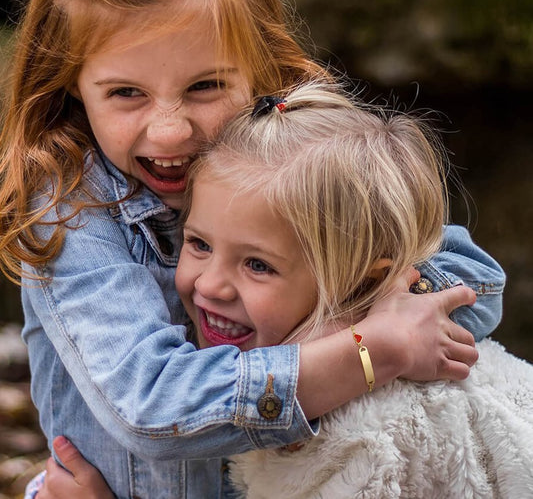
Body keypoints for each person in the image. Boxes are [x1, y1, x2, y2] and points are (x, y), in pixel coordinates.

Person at [0, 0, 503, 497]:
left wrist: (334, 325)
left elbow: (473, 281)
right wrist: (367, 352)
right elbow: (151, 405)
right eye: (126, 92)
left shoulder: (291, 165)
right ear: (72, 87)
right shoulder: (69, 207)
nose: (170, 130)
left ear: (259, 69)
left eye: (205, 86)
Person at [35, 81, 531, 498]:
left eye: (257, 265)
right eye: (198, 243)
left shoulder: (376, 434)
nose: (209, 284)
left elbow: (471, 277)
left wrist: (359, 342)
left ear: (366, 281)